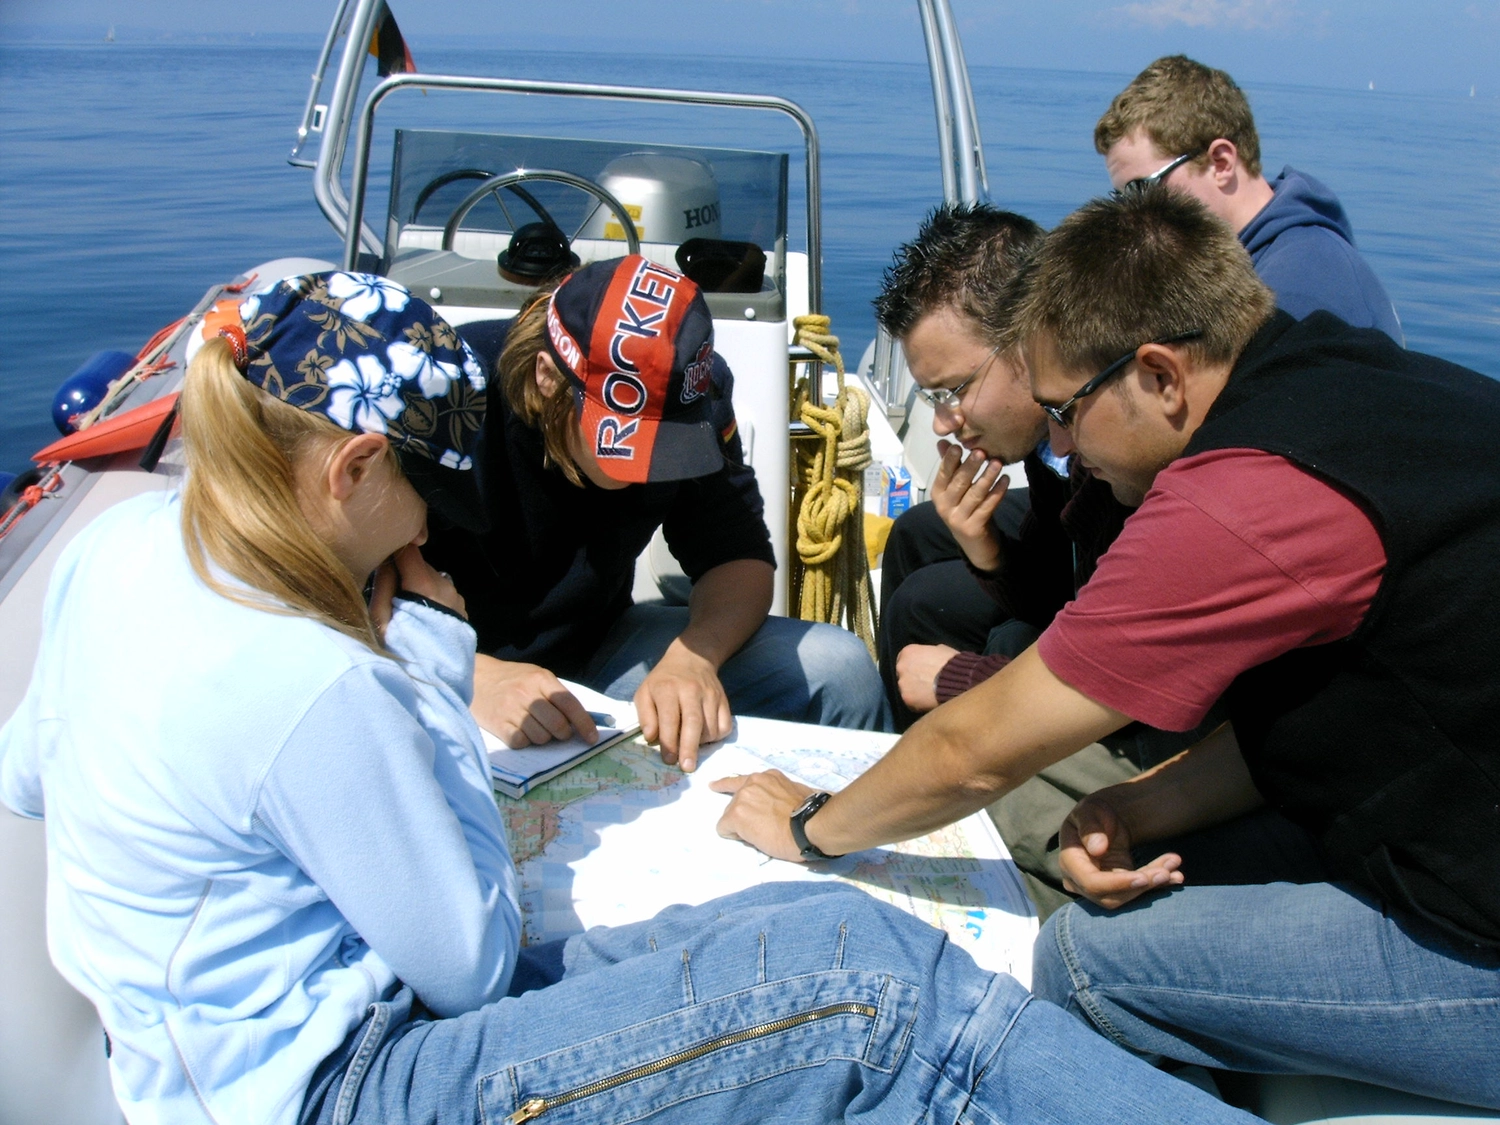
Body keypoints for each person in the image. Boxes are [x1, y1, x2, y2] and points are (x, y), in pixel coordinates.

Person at [0, 271, 1254, 1125]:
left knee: (758, 903)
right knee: (872, 983)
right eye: (418, 491)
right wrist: (438, 655)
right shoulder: (322, 680)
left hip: (208, 1051)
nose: (432, 517)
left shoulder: (127, 551)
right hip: (342, 1082)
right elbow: (474, 965)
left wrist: (691, 657)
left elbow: (30, 778)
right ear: (357, 467)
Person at [714, 186, 1500, 1109]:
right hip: (1435, 806)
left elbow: (973, 753)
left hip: (1472, 935)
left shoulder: (1244, 499)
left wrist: (812, 826)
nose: (1061, 446)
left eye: (1067, 413)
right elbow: (1306, 711)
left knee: (1087, 963)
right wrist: (1140, 807)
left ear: (1162, 377)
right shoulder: (1344, 377)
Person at [426, 255, 889, 773]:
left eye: (666, 444)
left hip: (596, 649)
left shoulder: (698, 394)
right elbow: (334, 589)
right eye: (625, 441)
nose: (646, 470)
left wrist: (694, 659)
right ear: (548, 378)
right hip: (437, 669)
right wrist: (466, 674)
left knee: (842, 668)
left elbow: (737, 556)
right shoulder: (444, 393)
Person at [871, 205, 1207, 915]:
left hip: (1169, 732)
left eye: (954, 389)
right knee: (920, 539)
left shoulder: (1127, 455)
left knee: (960, 624)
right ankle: (912, 772)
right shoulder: (1064, 446)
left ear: (1027, 343)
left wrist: (964, 683)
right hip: (1124, 663)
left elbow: (1134, 675)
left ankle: (926, 794)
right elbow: (1076, 580)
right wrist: (986, 551)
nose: (941, 420)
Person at [1096, 54, 1402, 340]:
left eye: (1142, 189)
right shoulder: (1252, 259)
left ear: (1221, 163)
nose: (1131, 212)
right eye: (1121, 196)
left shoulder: (1301, 291)